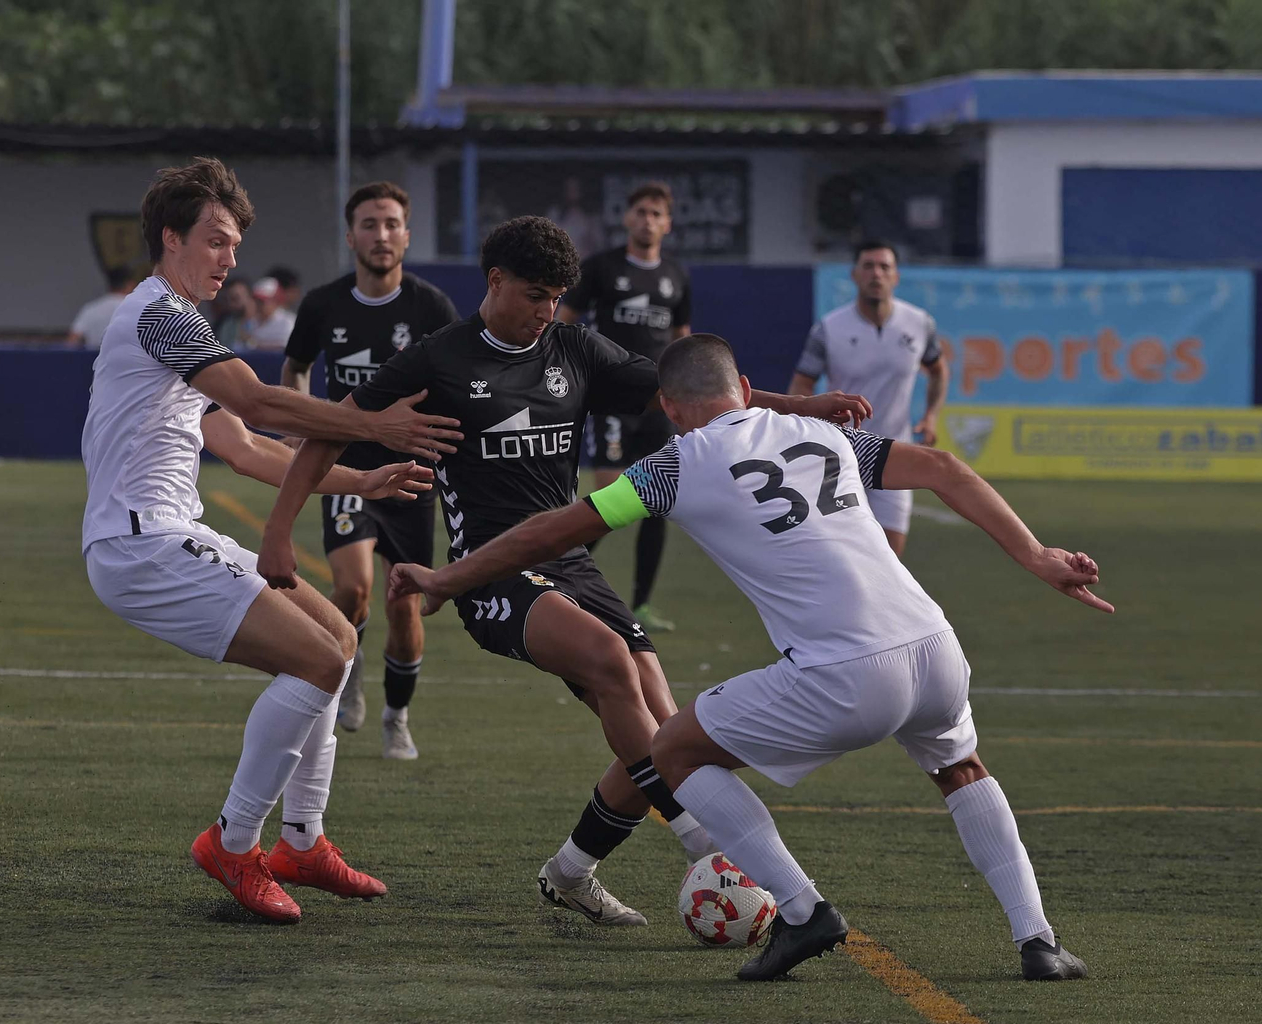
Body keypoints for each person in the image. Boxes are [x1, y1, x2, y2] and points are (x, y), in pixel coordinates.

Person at [389, 333, 1105, 982]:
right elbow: (946, 467)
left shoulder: (675, 464)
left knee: (671, 750)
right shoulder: (819, 433)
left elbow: (551, 532)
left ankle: (801, 910)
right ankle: (1037, 939)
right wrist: (1038, 556)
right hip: (934, 648)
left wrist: (446, 578)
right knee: (960, 768)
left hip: (844, 673)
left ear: (670, 406)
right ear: (741, 388)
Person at [259, 216, 869, 927]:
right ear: (496, 282)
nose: (547, 311)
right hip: (492, 572)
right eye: (536, 295)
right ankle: (710, 847)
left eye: (556, 298)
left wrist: (801, 407)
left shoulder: (573, 348)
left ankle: (571, 871)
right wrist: (278, 533)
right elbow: (331, 428)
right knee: (613, 665)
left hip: (571, 563)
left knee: (663, 723)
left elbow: (696, 393)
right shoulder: (439, 360)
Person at [80, 156, 463, 923]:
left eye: (234, 245)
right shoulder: (157, 314)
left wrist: (363, 478)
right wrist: (374, 428)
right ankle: (234, 840)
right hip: (138, 545)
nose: (230, 259)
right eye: (216, 241)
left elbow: (251, 448)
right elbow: (266, 402)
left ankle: (302, 841)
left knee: (338, 640)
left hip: (165, 533)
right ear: (171, 238)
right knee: (319, 661)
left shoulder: (179, 329)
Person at [280, 181, 461, 755]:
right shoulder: (323, 304)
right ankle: (347, 669)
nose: (380, 235)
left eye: (390, 224)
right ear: (350, 234)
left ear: (406, 234)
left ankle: (396, 717)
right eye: (368, 224)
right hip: (345, 465)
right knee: (352, 589)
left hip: (412, 472)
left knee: (403, 602)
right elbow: (296, 365)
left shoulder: (431, 308)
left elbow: (456, 385)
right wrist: (298, 424)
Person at [557, 182, 691, 631]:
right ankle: (559, 578)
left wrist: (688, 390)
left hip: (660, 405)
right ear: (627, 218)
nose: (648, 220)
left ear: (667, 224)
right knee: (610, 497)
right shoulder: (601, 268)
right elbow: (565, 321)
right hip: (612, 400)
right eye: (641, 212)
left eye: (657, 213)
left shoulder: (676, 275)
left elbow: (682, 339)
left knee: (658, 503)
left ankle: (643, 605)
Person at [789, 241, 949, 557]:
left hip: (896, 452)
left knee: (890, 561)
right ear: (854, 275)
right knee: (842, 557)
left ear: (896, 277)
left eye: (884, 266)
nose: (876, 273)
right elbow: (801, 384)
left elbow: (939, 370)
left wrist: (931, 415)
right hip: (840, 455)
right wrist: (810, 423)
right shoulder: (829, 329)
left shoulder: (919, 324)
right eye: (868, 266)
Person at [66, 266, 136, 347]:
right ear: (130, 284)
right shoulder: (134, 308)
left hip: (94, 358)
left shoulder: (90, 308)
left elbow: (72, 341)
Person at [246, 276, 294, 350]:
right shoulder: (250, 320)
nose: (258, 304)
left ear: (275, 300)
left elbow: (284, 347)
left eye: (262, 301)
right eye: (257, 300)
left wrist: (254, 344)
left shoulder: (287, 321)